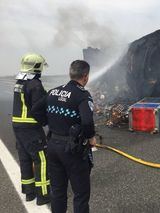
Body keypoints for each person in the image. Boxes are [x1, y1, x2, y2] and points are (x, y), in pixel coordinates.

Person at [46, 60, 96, 213]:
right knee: (80, 194)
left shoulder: (53, 91)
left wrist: (49, 123)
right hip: (72, 150)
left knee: (58, 191)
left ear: (70, 73)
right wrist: (91, 137)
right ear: (85, 76)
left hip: (53, 146)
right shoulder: (82, 95)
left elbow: (36, 109)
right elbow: (87, 121)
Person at [12, 53, 50, 205]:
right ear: (37, 66)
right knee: (41, 159)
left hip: (18, 126)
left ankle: (29, 192)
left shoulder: (19, 81)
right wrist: (45, 121)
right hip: (30, 127)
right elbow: (37, 108)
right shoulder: (35, 84)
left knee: (25, 158)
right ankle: (44, 195)